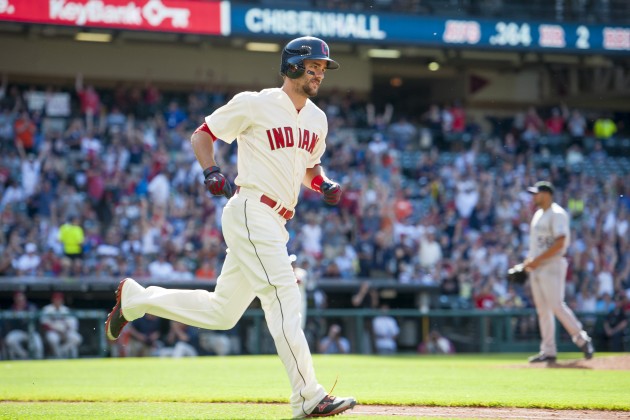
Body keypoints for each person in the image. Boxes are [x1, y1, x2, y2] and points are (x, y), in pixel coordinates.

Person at [105, 36, 356, 418]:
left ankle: (137, 298)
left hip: (277, 218)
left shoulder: (317, 119)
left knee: (222, 313)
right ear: (292, 67)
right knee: (282, 296)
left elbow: (309, 167)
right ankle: (308, 395)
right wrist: (211, 171)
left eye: (323, 68)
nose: (320, 73)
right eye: (313, 66)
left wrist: (323, 184)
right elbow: (202, 134)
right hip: (251, 209)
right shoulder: (255, 103)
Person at [523, 181, 594, 363]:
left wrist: (537, 260)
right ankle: (548, 351)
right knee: (542, 310)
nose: (534, 196)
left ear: (547, 194)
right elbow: (537, 245)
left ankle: (581, 339)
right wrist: (528, 261)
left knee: (556, 305)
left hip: (552, 264)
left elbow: (560, 242)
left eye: (537, 193)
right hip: (537, 266)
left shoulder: (557, 214)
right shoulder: (538, 214)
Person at [40, 292, 83, 358]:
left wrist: (66, 329)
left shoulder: (66, 310)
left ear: (62, 300)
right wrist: (55, 329)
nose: (57, 301)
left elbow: (73, 324)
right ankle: (58, 356)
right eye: (56, 299)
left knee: (77, 338)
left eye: (59, 299)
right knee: (53, 339)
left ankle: (62, 351)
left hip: (65, 332)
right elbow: (44, 324)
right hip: (53, 332)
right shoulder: (47, 309)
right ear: (52, 300)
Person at [3, 291, 44, 360]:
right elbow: (8, 324)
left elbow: (38, 320)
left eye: (22, 299)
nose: (20, 301)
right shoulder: (12, 309)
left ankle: (39, 360)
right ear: (15, 300)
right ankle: (25, 356)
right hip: (19, 332)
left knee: (38, 345)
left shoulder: (31, 307)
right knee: (10, 340)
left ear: (25, 299)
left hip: (32, 332)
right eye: (18, 300)